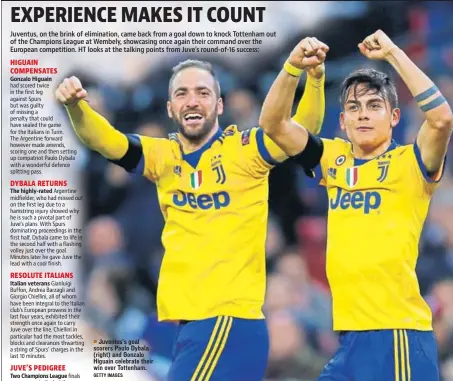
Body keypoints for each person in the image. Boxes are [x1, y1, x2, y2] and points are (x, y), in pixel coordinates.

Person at [55, 58, 326, 380]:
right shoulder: (162, 155)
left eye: (202, 92)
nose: (192, 100)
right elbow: (105, 141)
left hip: (226, 320)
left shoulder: (246, 149)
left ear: (219, 104)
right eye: (182, 93)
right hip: (193, 325)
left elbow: (302, 132)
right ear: (170, 108)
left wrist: (314, 78)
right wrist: (76, 108)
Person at [259, 30, 453, 381]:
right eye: (354, 107)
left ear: (394, 117)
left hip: (398, 338)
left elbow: (441, 118)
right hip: (349, 340)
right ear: (343, 121)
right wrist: (295, 69)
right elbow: (273, 125)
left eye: (374, 105)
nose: (363, 114)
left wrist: (393, 53)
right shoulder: (333, 159)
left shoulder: (411, 163)